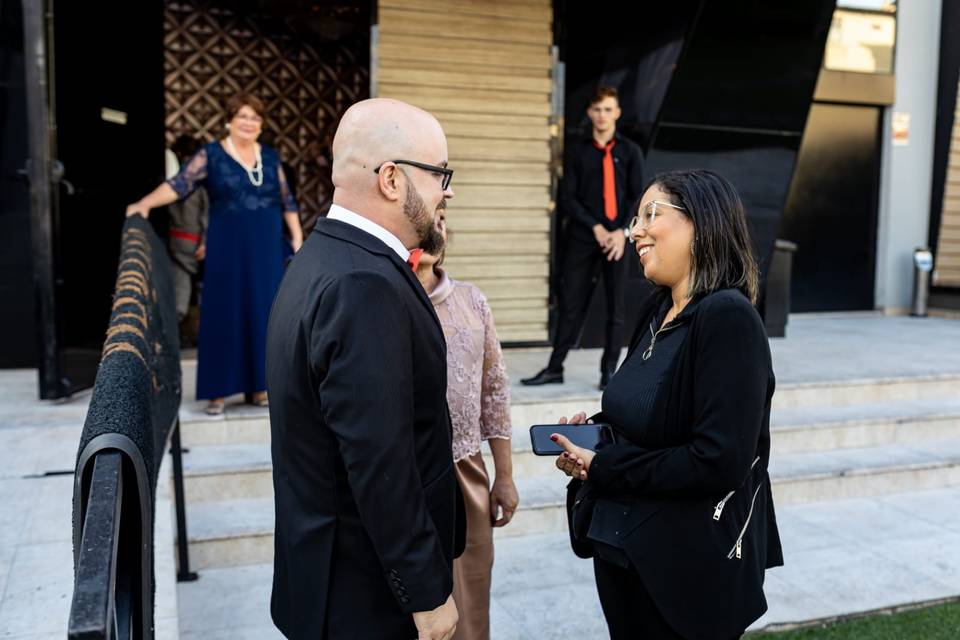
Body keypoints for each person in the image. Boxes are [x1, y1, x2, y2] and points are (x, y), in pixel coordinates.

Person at [550, 169, 783, 639]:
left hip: (685, 573)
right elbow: (646, 414)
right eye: (635, 218)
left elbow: (718, 460)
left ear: (702, 222)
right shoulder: (657, 309)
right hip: (625, 548)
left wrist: (606, 467)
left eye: (650, 215)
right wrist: (594, 432)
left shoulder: (728, 318)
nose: (635, 230)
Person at [265, 98, 463, 640]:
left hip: (333, 580)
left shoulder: (321, 255)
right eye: (441, 173)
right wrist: (426, 591)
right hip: (363, 597)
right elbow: (380, 460)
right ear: (393, 180)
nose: (447, 190)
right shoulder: (363, 285)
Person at [125, 92, 303, 415]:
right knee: (225, 309)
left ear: (261, 125)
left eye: (255, 117)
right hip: (227, 247)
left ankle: (260, 386)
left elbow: (287, 201)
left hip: (266, 248)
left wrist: (297, 238)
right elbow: (180, 184)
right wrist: (145, 204)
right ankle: (218, 391)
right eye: (243, 116)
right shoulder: (211, 155)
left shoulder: (272, 158)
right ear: (229, 121)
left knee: (264, 310)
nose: (248, 122)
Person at [414, 214, 519, 640]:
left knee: (470, 602)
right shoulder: (382, 300)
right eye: (428, 219)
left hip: (466, 472)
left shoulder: (472, 301)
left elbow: (494, 391)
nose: (438, 225)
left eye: (441, 218)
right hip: (405, 476)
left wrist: (505, 477)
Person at [523, 85, 644, 390]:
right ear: (590, 113)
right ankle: (555, 367)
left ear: (617, 112)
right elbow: (568, 199)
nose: (602, 115)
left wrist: (622, 233)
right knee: (571, 305)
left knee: (616, 309)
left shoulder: (630, 152)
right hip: (584, 237)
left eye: (608, 109)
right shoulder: (577, 151)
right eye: (597, 110)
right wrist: (597, 228)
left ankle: (609, 373)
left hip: (618, 240)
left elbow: (637, 197)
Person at [166, 134, 208, 325]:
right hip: (193, 239)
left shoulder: (174, 180)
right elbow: (206, 214)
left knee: (180, 281)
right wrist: (205, 241)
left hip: (175, 237)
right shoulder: (200, 181)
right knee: (190, 284)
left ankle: (181, 323)